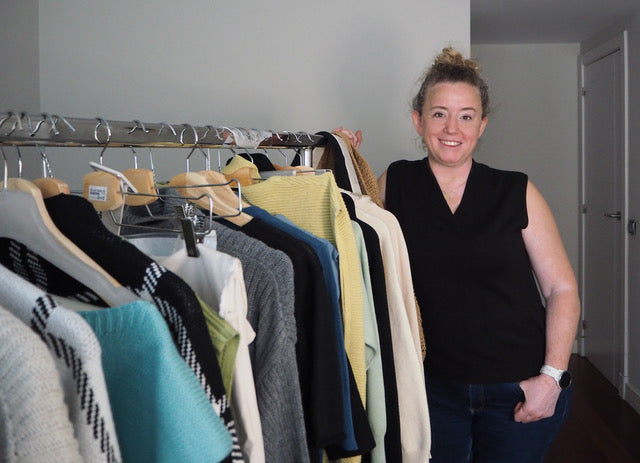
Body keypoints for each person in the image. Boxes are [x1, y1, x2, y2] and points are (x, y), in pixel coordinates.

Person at [336, 47, 581, 463]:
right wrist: (341, 160)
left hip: (519, 386)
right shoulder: (397, 182)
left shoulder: (515, 190)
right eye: (439, 114)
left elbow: (562, 289)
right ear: (418, 120)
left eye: (466, 116)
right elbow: (353, 240)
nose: (452, 128)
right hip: (432, 388)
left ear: (482, 125)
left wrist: (552, 378)